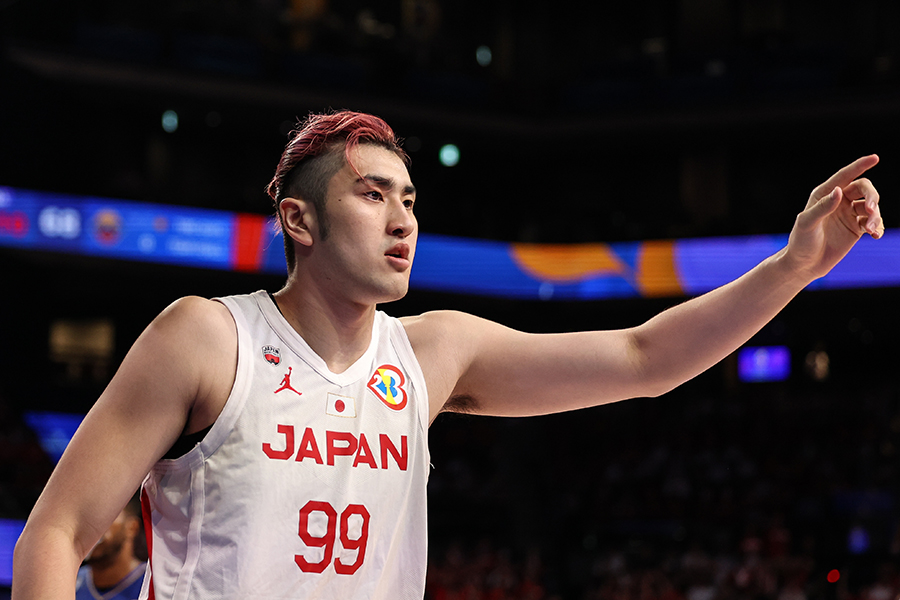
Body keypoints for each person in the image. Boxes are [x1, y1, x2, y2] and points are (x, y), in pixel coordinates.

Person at [12, 110, 884, 600]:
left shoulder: (437, 352)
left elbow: (644, 357)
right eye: (371, 194)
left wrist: (794, 265)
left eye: (410, 199)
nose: (403, 220)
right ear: (300, 220)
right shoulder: (205, 335)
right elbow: (55, 533)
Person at [74, 495, 146, 600]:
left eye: (105, 516)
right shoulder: (68, 581)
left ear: (132, 528)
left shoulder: (155, 584)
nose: (91, 526)